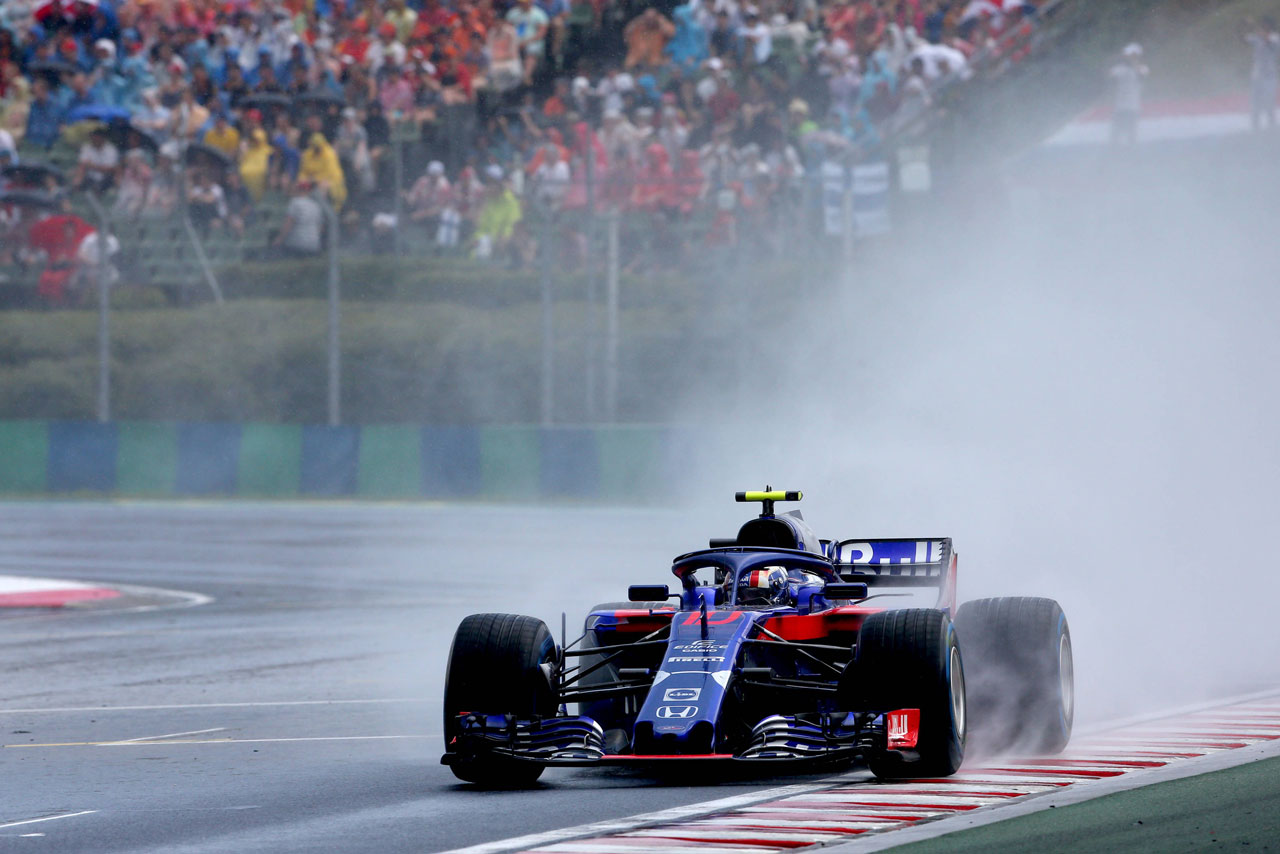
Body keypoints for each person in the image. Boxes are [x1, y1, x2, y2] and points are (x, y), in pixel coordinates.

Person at [1109, 43, 1147, 145]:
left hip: (1133, 106)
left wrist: (1134, 64)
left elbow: (1141, 76)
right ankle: (1114, 150)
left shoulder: (1142, 68)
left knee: (1132, 134)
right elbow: (1111, 77)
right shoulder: (1119, 69)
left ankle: (1131, 150)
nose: (1131, 58)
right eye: (1129, 55)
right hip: (1119, 106)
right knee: (1115, 134)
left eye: (1134, 56)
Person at [274, 179, 324, 257]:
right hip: (314, 246)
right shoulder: (315, 205)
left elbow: (288, 224)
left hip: (296, 246)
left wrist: (279, 239)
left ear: (299, 190)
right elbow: (320, 228)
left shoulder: (295, 202)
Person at [1246, 18, 1280, 130]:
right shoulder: (1256, 37)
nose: (1262, 28)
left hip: (1270, 76)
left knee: (1269, 101)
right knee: (1255, 101)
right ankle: (1255, 125)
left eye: (1265, 27)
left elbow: (1270, 44)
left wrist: (1261, 33)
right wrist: (1247, 25)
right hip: (1257, 75)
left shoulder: (1275, 38)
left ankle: (1271, 124)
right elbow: (1244, 39)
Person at [298, 131, 347, 209]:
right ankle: (303, 209)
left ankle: (322, 209)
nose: (316, 148)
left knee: (322, 187)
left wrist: (313, 179)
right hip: (312, 180)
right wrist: (303, 179)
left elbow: (328, 174)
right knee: (300, 185)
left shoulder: (329, 154)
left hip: (332, 181)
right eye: (314, 146)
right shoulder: (308, 154)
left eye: (318, 146)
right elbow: (303, 171)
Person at [74, 125, 120, 193]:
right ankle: (75, 188)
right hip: (89, 177)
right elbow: (82, 163)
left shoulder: (111, 149)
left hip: (106, 178)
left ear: (102, 137)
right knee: (80, 169)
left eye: (97, 137)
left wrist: (92, 166)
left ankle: (116, 191)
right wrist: (96, 167)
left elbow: (110, 168)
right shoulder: (86, 147)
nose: (95, 139)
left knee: (116, 170)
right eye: (93, 137)